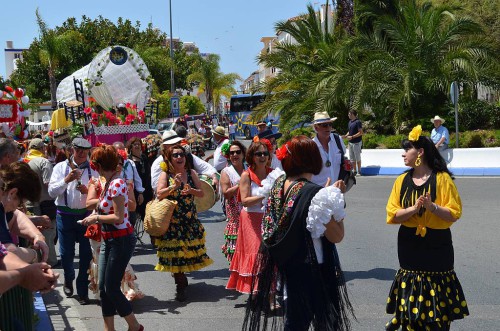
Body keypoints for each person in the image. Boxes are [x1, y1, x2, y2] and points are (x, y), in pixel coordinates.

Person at [243, 135, 354, 331]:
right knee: (322, 322)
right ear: (313, 160)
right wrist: (333, 202)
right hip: (314, 267)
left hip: (289, 264)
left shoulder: (276, 186)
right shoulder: (317, 194)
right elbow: (336, 236)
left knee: (295, 321)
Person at [385, 125, 468, 331]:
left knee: (437, 292)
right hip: (409, 243)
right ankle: (408, 322)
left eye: (408, 149)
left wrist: (432, 207)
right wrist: (414, 208)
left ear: (420, 152)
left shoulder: (442, 179)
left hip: (437, 244)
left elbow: (453, 213)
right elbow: (393, 214)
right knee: (412, 288)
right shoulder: (401, 180)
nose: (404, 154)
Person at [81, 145, 143, 331]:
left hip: (121, 240)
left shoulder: (117, 183)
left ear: (98, 165)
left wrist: (96, 217)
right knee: (104, 288)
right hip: (109, 239)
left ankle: (135, 326)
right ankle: (109, 329)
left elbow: (118, 216)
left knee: (112, 288)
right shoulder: (109, 182)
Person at [155, 144, 213, 301]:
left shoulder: (191, 172)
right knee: (175, 254)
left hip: (189, 220)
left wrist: (191, 190)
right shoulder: (165, 175)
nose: (179, 157)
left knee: (187, 252)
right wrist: (173, 187)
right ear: (170, 159)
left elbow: (201, 192)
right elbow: (159, 194)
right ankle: (179, 284)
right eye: (175, 155)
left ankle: (181, 279)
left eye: (181, 154)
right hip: (172, 221)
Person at [48, 137, 97, 304]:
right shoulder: (60, 167)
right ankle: (68, 279)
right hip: (65, 215)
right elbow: (51, 192)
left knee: (85, 254)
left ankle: (82, 289)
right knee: (67, 254)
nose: (82, 153)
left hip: (86, 216)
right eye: (78, 150)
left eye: (85, 150)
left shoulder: (94, 169)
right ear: (72, 150)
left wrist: (88, 191)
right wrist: (66, 180)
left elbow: (101, 193)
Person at [226, 138, 273, 294]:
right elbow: (245, 201)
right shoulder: (247, 175)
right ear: (252, 156)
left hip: (268, 219)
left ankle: (270, 295)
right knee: (257, 255)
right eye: (258, 153)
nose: (262, 156)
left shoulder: (273, 174)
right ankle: (257, 292)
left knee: (269, 256)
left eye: (265, 153)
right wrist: (264, 195)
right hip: (250, 220)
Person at [24, 138, 58, 267]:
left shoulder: (24, 161)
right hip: (45, 203)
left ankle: (34, 260)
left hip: (28, 203)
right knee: (48, 232)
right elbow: (48, 183)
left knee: (30, 232)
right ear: (42, 149)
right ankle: (50, 261)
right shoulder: (43, 162)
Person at [151, 130, 218, 193]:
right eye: (172, 144)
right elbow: (156, 187)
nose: (176, 145)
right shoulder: (159, 162)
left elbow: (205, 167)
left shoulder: (186, 155)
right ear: (165, 146)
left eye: (177, 143)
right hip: (170, 201)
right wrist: (174, 187)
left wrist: (214, 177)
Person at [220, 141, 247, 262]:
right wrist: (240, 184)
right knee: (236, 253)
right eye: (232, 153)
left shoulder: (250, 168)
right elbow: (226, 193)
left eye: (238, 152)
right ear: (228, 155)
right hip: (235, 216)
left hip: (250, 214)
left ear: (243, 154)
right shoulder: (226, 172)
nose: (235, 155)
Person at [311, 111, 347, 190]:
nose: (328, 127)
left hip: (337, 192)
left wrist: (347, 164)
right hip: (318, 193)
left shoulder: (338, 140)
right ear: (316, 128)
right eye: (324, 125)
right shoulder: (311, 146)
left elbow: (342, 159)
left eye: (330, 124)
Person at [113, 141, 145, 227]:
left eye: (122, 150)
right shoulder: (111, 164)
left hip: (130, 199)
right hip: (117, 198)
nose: (120, 152)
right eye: (117, 150)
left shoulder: (130, 163)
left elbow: (137, 179)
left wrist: (140, 192)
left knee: (131, 222)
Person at [126, 137, 152, 223]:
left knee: (148, 215)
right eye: (135, 144)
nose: (137, 146)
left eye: (139, 144)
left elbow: (149, 172)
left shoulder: (144, 157)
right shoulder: (129, 160)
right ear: (131, 147)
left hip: (147, 189)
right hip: (136, 191)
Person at [342, 110, 363, 176]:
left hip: (356, 142)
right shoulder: (350, 122)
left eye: (349, 114)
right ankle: (354, 171)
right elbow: (350, 131)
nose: (348, 115)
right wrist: (346, 136)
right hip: (350, 143)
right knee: (352, 158)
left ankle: (359, 171)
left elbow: (361, 132)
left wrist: (352, 137)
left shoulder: (358, 122)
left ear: (352, 114)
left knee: (357, 157)